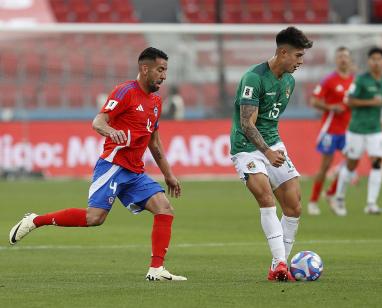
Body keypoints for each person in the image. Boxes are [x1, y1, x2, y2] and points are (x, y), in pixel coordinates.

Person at [8, 47, 186, 282]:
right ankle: (35, 220)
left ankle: (156, 269)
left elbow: (154, 142)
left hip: (134, 171)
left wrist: (169, 174)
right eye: (160, 70)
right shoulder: (124, 92)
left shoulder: (155, 102)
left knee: (164, 208)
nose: (164, 75)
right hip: (113, 166)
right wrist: (112, 131)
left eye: (166, 71)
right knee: (95, 218)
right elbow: (98, 121)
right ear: (145, 69)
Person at [229, 26, 313, 281]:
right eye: (298, 56)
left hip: (273, 144)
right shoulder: (253, 78)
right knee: (266, 198)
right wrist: (265, 151)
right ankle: (279, 264)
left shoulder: (289, 81)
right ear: (283, 52)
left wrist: (272, 149)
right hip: (247, 148)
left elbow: (270, 122)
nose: (301, 61)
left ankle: (280, 266)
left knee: (294, 206)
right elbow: (247, 123)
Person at [330, 46, 382, 216]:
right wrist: (371, 102)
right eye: (373, 59)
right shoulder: (360, 80)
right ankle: (340, 198)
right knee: (351, 164)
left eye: (379, 59)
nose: (376, 62)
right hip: (357, 129)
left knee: (377, 163)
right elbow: (349, 101)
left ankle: (371, 203)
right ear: (369, 61)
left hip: (376, 130)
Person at [307, 46, 354, 216]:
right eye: (340, 56)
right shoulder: (329, 80)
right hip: (330, 130)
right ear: (336, 60)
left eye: (345, 56)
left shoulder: (354, 81)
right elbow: (314, 101)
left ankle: (331, 193)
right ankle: (313, 201)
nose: (343, 59)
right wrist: (331, 107)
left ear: (350, 60)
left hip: (347, 130)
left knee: (351, 162)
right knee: (325, 166)